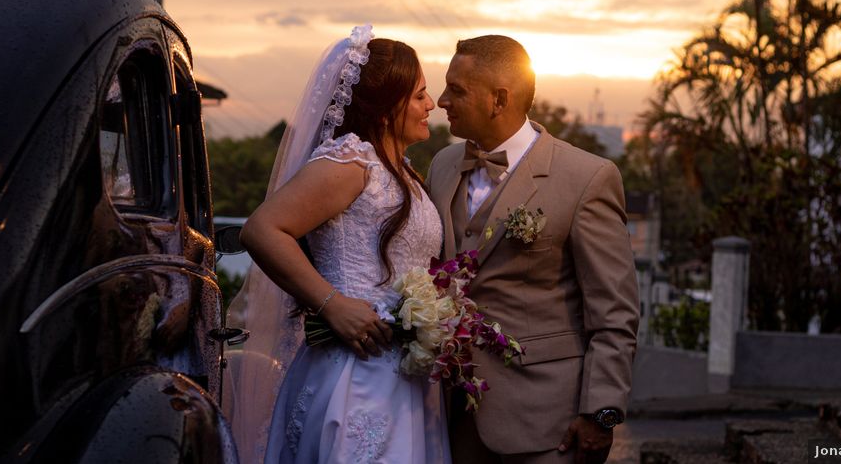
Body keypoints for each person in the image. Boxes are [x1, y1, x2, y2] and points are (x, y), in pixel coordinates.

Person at [224, 25, 450, 464]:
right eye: (421, 94)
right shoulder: (350, 162)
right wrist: (332, 304)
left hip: (403, 377)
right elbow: (263, 229)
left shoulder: (404, 173)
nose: (432, 105)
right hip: (353, 372)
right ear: (386, 109)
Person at [426, 35, 640, 464]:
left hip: (548, 424)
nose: (441, 100)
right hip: (450, 419)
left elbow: (614, 311)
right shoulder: (442, 165)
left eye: (457, 89)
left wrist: (600, 414)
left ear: (498, 99)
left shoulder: (586, 177)